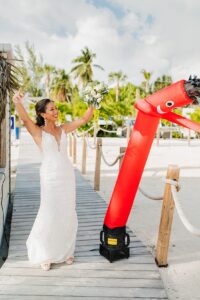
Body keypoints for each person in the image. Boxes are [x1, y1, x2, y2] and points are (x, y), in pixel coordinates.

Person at [12, 91, 94, 271]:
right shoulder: (38, 132)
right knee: (49, 211)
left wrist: (93, 102)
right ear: (42, 114)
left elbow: (83, 120)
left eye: (56, 108)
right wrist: (17, 102)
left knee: (67, 211)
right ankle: (45, 253)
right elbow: (25, 120)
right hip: (49, 176)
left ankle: (66, 251)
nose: (56, 111)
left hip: (66, 176)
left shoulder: (63, 129)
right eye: (51, 109)